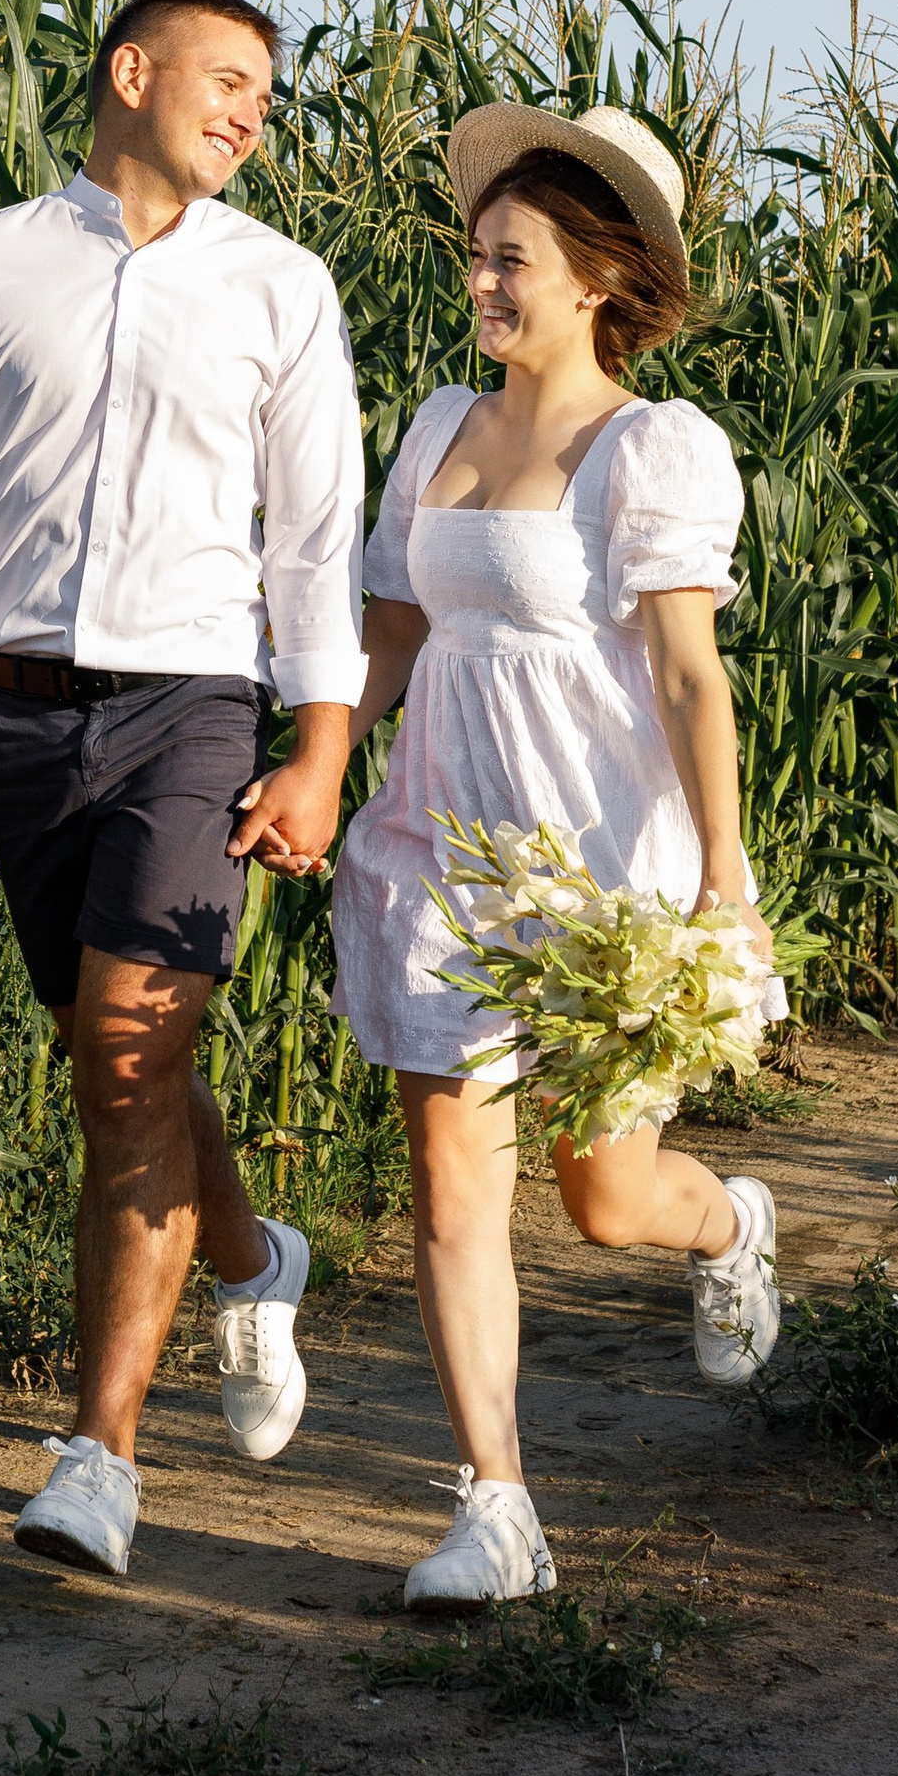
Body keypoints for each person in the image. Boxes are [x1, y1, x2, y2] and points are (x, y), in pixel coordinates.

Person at [0, 0, 364, 1580]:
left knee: (127, 1060)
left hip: (199, 707)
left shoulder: (282, 288)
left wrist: (319, 749)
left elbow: (315, 541)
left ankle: (98, 1458)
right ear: (129, 73)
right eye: (229, 79)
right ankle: (256, 1258)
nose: (254, 111)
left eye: (269, 93)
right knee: (104, 1044)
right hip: (17, 721)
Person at [329, 102, 782, 1608]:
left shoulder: (646, 448)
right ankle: (498, 1506)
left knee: (606, 1195)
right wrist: (321, 755)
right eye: (476, 256)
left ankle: (730, 1223)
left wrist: (724, 871)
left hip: (601, 862)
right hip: (442, 843)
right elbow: (395, 623)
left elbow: (688, 676)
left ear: (594, 276)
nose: (482, 283)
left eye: (509, 259)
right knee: (455, 1182)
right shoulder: (437, 432)